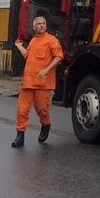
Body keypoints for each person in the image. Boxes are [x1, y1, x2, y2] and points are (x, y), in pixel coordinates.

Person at [11, 15, 64, 148]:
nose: (41, 25)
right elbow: (27, 56)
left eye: (43, 23)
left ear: (46, 26)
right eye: (38, 24)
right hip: (28, 82)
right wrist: (18, 46)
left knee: (42, 110)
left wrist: (46, 70)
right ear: (34, 27)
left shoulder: (51, 40)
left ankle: (46, 125)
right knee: (21, 111)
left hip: (43, 84)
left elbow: (59, 57)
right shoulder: (33, 41)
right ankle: (20, 136)